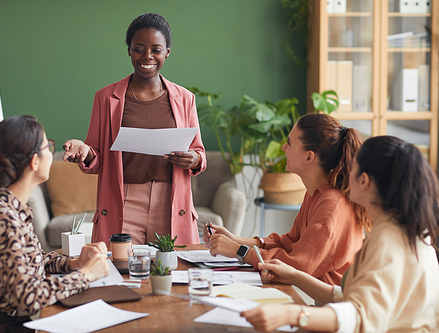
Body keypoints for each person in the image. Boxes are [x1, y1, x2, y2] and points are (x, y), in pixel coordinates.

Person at [241, 136, 439, 332]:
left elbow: (359, 316)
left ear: (363, 181)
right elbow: (350, 297)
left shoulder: (388, 241)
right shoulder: (408, 232)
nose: (345, 172)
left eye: (351, 168)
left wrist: (291, 315)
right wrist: (295, 277)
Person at [63, 13, 206, 246]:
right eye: (139, 48)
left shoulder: (185, 98)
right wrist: (85, 151)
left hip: (170, 201)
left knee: (172, 274)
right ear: (129, 50)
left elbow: (199, 153)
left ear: (167, 52)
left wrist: (194, 159)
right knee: (122, 274)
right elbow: (97, 159)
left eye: (156, 50)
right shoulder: (105, 98)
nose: (147, 56)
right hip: (124, 202)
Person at [0, 116, 110, 333]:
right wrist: (86, 275)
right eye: (48, 146)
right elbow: (26, 297)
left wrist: (74, 263)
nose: (52, 153)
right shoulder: (3, 216)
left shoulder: (13, 206)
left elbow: (34, 260)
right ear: (35, 161)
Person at [204, 113, 371, 285]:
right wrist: (234, 239)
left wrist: (238, 251)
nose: (284, 148)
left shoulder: (331, 205)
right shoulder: (315, 194)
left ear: (309, 157)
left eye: (290, 143)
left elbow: (297, 266)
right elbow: (289, 243)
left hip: (334, 306)